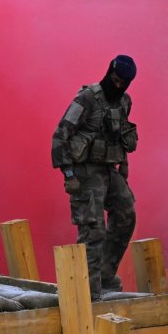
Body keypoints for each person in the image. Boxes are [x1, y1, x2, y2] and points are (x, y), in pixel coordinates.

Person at [51, 54, 138, 301]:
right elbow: (60, 135)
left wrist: (124, 166)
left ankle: (106, 275)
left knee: (126, 216)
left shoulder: (124, 102)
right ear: (109, 73)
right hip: (85, 171)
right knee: (93, 230)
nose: (118, 86)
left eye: (124, 83)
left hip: (109, 169)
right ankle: (89, 294)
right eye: (116, 80)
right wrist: (68, 174)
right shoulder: (87, 98)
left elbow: (121, 134)